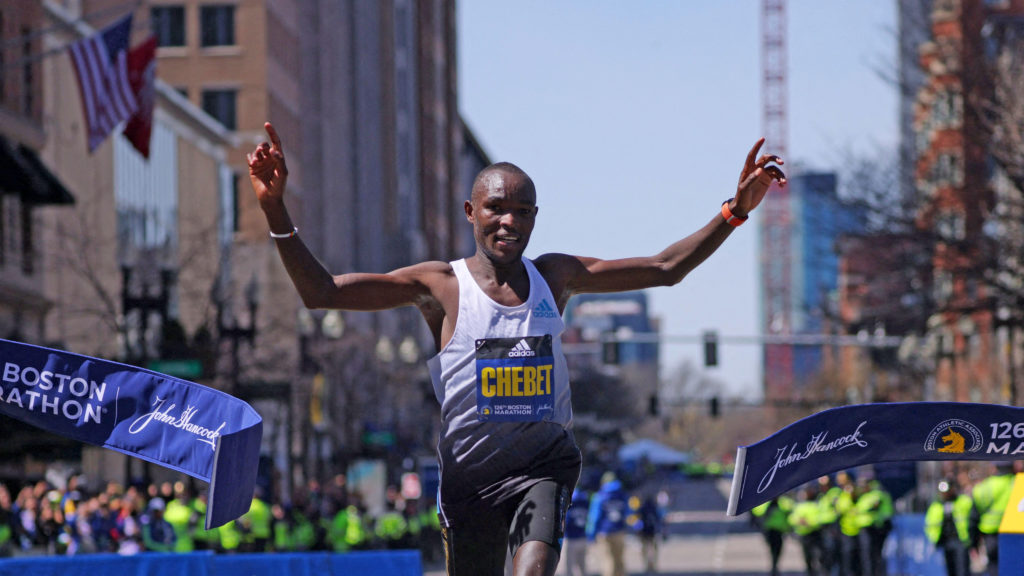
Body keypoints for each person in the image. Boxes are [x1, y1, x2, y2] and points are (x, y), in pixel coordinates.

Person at [248, 123, 785, 576]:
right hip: (469, 479)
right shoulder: (441, 286)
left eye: (523, 211)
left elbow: (666, 269)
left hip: (543, 468)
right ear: (470, 211)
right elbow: (321, 293)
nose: (509, 222)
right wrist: (275, 210)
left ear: (535, 217)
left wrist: (734, 211)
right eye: (496, 208)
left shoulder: (556, 276)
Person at [925, 479, 972, 576]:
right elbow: (930, 525)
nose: (945, 494)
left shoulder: (963, 501)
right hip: (946, 542)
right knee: (950, 570)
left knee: (962, 570)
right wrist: (934, 539)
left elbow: (972, 519)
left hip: (961, 541)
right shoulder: (936, 506)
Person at [586, 473, 629, 576]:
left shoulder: (600, 496)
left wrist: (591, 534)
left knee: (608, 561)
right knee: (620, 561)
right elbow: (628, 513)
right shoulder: (623, 495)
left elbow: (594, 517)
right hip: (620, 531)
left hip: (604, 532)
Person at [751, 495, 793, 576]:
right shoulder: (765, 503)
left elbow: (790, 509)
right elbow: (757, 511)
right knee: (772, 548)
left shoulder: (783, 502)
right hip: (769, 530)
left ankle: (775, 565)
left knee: (778, 549)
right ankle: (774, 566)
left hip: (780, 531)